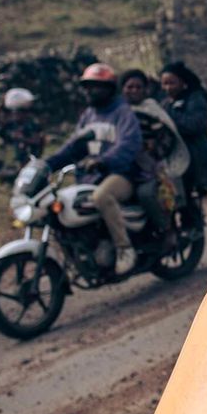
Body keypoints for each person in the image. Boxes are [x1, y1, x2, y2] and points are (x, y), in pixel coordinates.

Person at [46, 64, 144, 275]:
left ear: (109, 88)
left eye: (95, 86)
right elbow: (73, 146)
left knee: (101, 197)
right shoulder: (88, 116)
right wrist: (47, 164)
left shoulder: (122, 112)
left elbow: (129, 144)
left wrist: (103, 160)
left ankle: (124, 250)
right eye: (87, 86)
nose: (89, 91)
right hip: (91, 176)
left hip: (121, 174)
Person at [121, 69, 190, 248]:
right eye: (130, 87)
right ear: (122, 89)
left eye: (138, 87)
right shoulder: (117, 113)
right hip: (123, 167)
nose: (134, 90)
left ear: (145, 90)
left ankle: (167, 229)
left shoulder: (151, 109)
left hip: (149, 168)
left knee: (146, 194)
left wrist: (151, 153)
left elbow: (166, 138)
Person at [160, 61, 207, 228]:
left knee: (186, 192)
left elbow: (196, 125)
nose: (167, 87)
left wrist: (170, 118)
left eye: (171, 82)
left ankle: (193, 224)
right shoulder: (166, 104)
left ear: (182, 82)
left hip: (196, 156)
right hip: (175, 156)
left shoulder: (196, 99)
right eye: (164, 83)